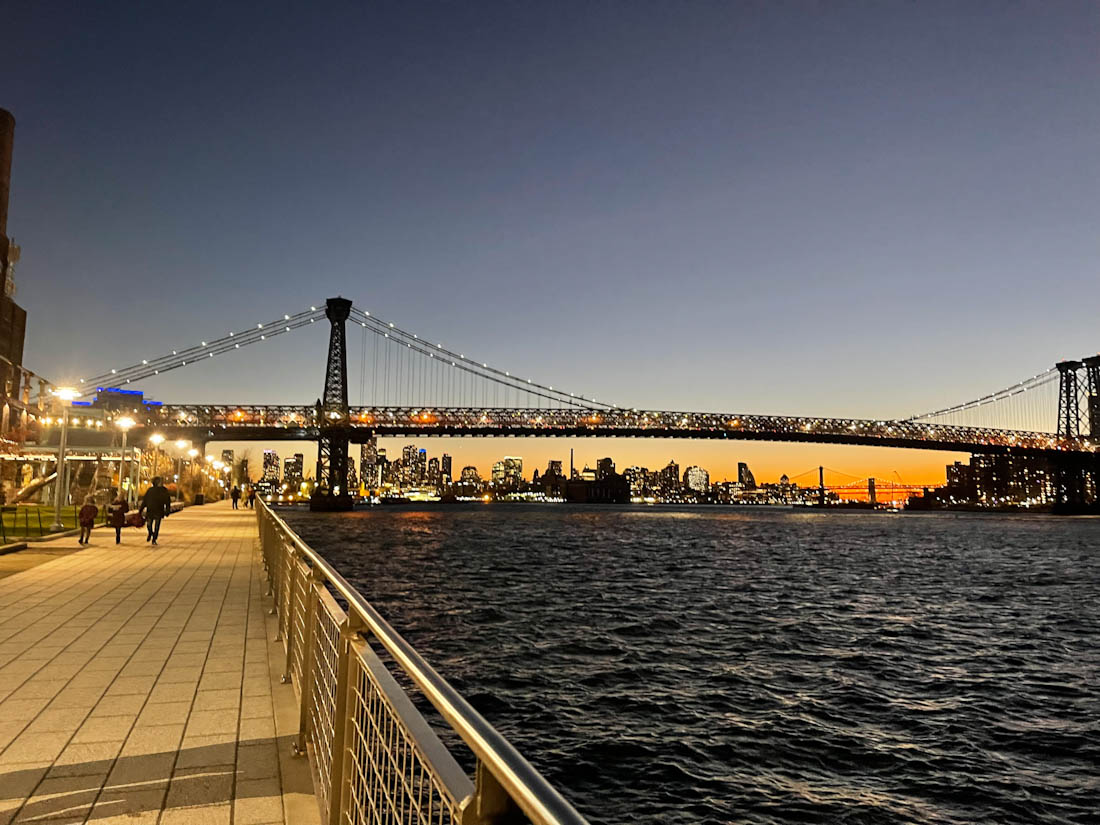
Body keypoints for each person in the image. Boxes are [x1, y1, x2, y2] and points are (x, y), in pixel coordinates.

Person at [139, 476, 173, 546]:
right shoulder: (150, 490)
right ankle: (150, 533)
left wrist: (167, 510)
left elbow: (167, 501)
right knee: (149, 525)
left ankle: (154, 538)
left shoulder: (164, 490)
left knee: (157, 526)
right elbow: (145, 500)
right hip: (150, 510)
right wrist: (141, 510)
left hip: (159, 510)